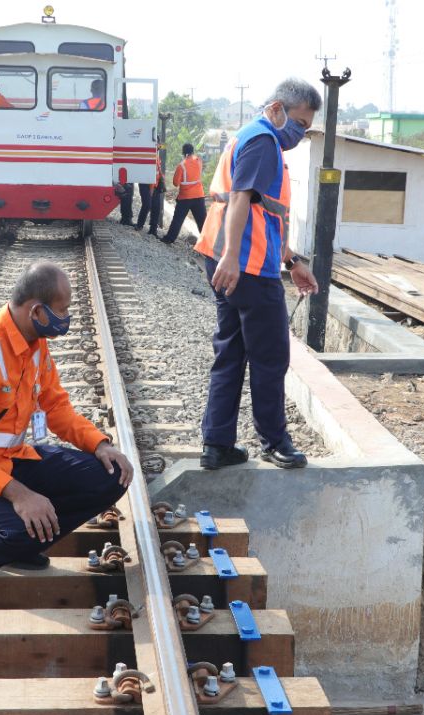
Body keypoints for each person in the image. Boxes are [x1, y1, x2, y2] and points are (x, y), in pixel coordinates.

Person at [0, 262, 133, 578]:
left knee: (111, 475)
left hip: (10, 461)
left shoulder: (35, 344)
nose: (67, 318)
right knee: (16, 531)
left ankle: (22, 541)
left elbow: (56, 408)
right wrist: (20, 495)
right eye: (63, 310)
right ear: (36, 311)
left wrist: (99, 444)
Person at [195, 78, 321, 470]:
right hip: (245, 265)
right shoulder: (263, 141)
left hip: (233, 258)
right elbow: (238, 199)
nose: (300, 133)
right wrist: (233, 256)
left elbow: (264, 210)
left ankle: (217, 445)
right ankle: (274, 441)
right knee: (269, 356)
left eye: (306, 126)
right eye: (299, 123)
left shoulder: (250, 136)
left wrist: (291, 260)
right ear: (277, 109)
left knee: (231, 351)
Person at [161, 143, 207, 244]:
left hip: (185, 198)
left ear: (183, 152)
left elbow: (175, 183)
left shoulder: (181, 165)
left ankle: (169, 239)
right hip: (199, 196)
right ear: (192, 151)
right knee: (202, 221)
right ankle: (207, 244)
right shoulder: (199, 161)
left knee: (178, 219)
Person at [134, 152, 164, 236]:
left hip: (156, 184)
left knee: (156, 207)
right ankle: (139, 225)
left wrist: (162, 178)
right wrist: (151, 189)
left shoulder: (157, 156)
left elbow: (158, 169)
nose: (158, 146)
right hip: (145, 184)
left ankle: (153, 230)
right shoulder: (147, 154)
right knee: (147, 204)